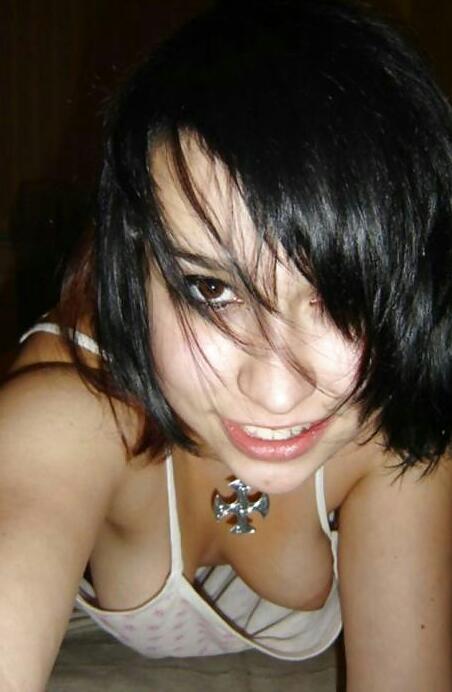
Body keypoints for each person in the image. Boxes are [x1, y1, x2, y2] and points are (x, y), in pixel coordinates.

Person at [1, 0, 451, 689]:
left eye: (342, 297)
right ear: (135, 259)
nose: (276, 392)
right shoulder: (66, 411)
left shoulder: (396, 421)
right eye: (211, 289)